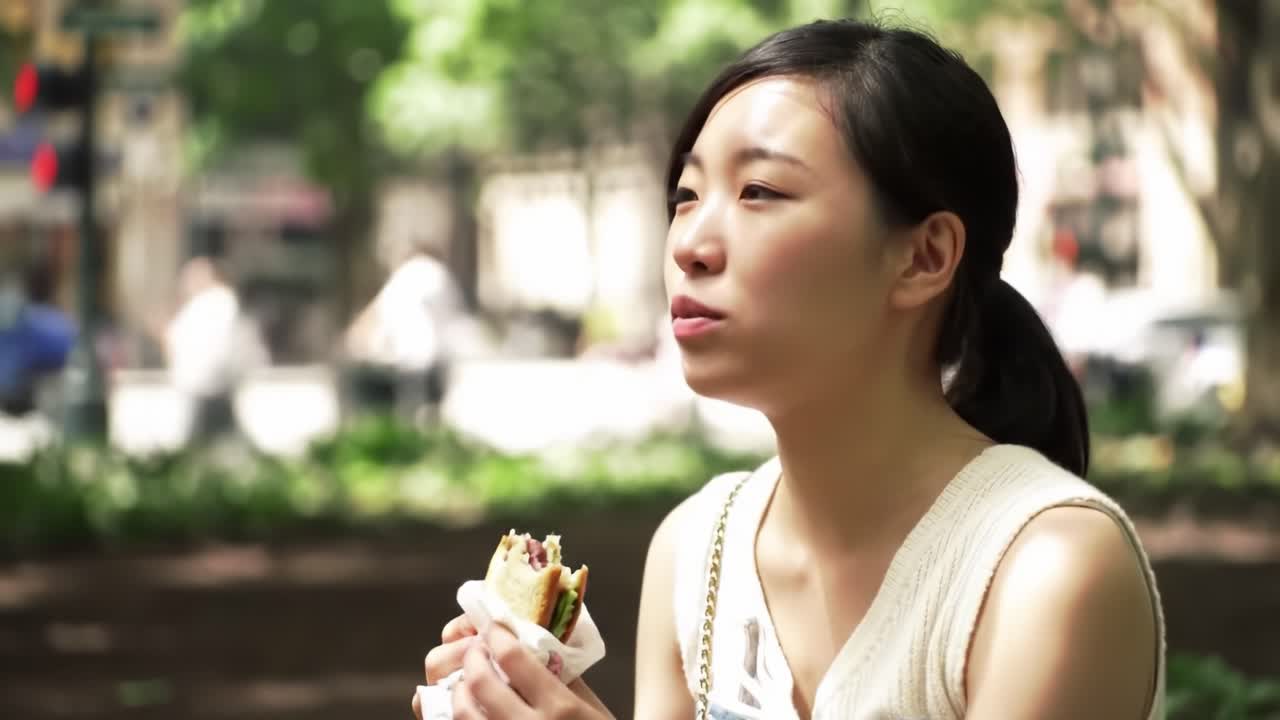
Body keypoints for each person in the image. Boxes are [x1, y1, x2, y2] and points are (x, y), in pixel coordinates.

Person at [413, 18, 1164, 720]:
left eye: (760, 192)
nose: (690, 246)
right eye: (686, 195)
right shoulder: (696, 551)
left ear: (924, 256)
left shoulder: (1048, 568)